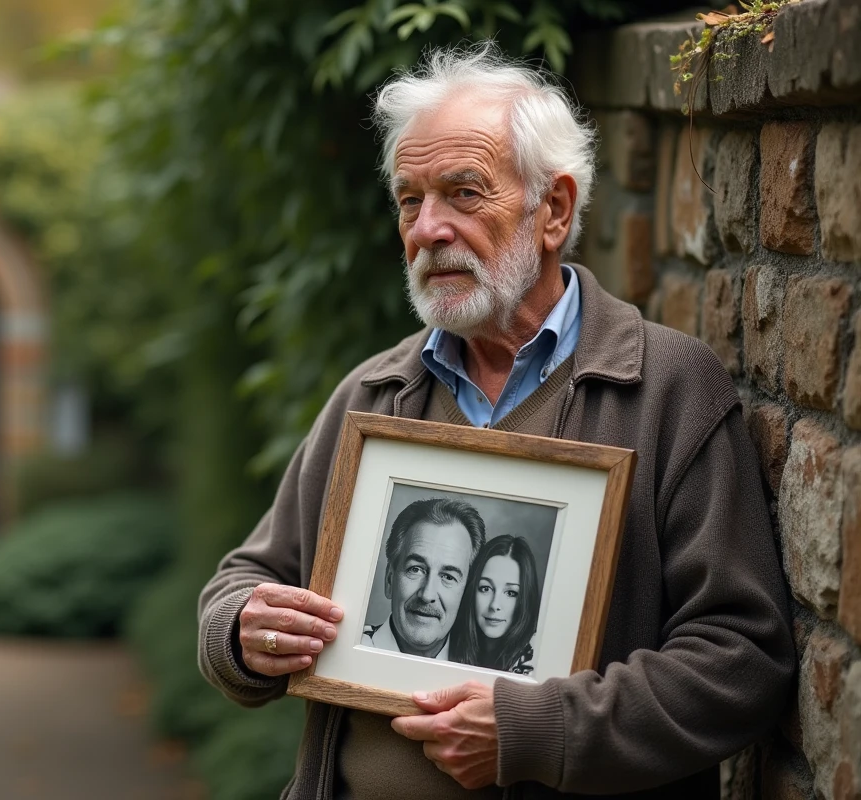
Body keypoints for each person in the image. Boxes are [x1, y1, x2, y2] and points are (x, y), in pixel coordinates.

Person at [198, 43, 793, 800]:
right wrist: (244, 632)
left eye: (464, 193)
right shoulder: (374, 395)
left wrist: (536, 731)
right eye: (411, 201)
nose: (429, 229)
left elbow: (741, 658)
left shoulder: (670, 389)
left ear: (554, 210)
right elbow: (245, 581)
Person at [360, 497, 486, 659]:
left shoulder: (487, 669)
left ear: (466, 593)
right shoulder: (342, 650)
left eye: (448, 576)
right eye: (416, 569)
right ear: (390, 579)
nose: (427, 595)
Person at [450, 535, 541, 675]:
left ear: (526, 598)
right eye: (485, 588)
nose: (495, 605)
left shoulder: (537, 658)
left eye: (511, 593)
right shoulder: (450, 643)